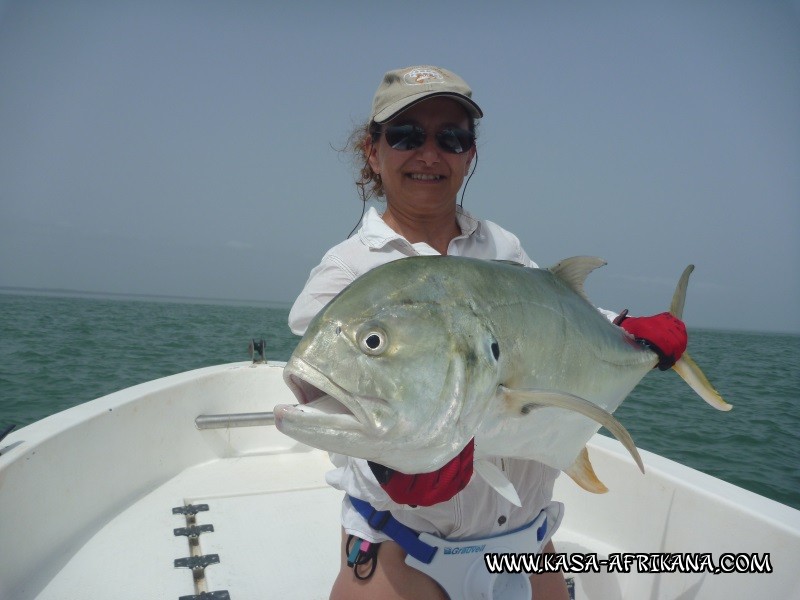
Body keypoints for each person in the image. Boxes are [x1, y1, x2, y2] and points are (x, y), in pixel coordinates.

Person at [288, 65, 687, 600]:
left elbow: (552, 319)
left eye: (451, 138)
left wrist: (627, 330)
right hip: (405, 553)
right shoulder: (345, 273)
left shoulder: (501, 246)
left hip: (527, 549)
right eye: (407, 135)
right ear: (373, 150)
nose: (430, 153)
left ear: (469, 155)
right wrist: (391, 469)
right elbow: (339, 410)